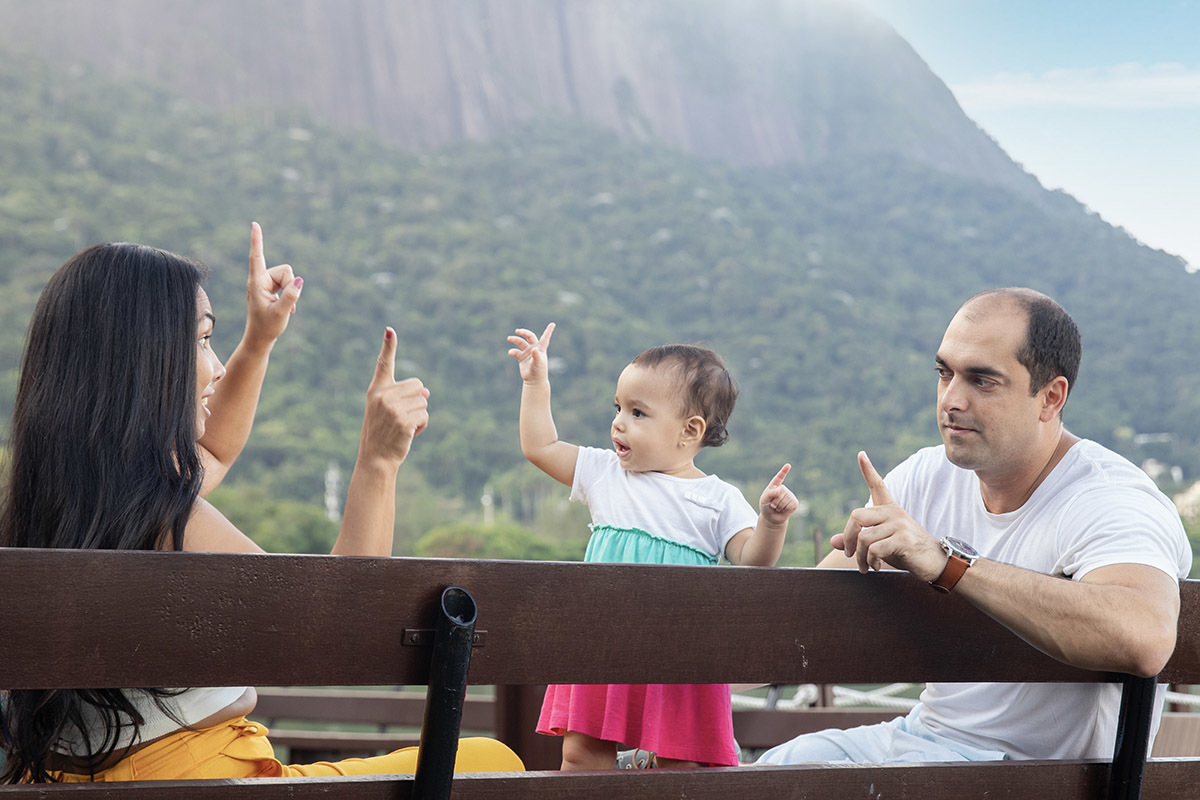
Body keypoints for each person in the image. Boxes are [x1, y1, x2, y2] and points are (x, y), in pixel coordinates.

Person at [0, 225, 523, 783]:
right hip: (200, 783)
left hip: (70, 781)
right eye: (202, 341)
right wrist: (378, 462)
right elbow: (344, 625)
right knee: (496, 764)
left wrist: (260, 339)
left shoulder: (63, 506)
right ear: (144, 364)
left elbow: (214, 452)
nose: (217, 365)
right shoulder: (168, 521)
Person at [758, 287, 1191, 765]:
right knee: (781, 768)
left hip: (1028, 778)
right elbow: (803, 617)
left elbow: (1145, 637)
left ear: (1051, 397)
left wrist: (948, 565)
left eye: (982, 381)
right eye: (944, 374)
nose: (951, 400)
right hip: (921, 739)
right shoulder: (925, 476)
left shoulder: (1110, 496)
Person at [506, 323, 800, 769]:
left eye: (638, 413)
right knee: (583, 754)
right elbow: (540, 446)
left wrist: (771, 522)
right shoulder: (605, 473)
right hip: (602, 645)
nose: (619, 421)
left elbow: (752, 559)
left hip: (680, 656)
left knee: (677, 764)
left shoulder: (717, 498)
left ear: (689, 430)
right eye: (619, 407)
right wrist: (535, 382)